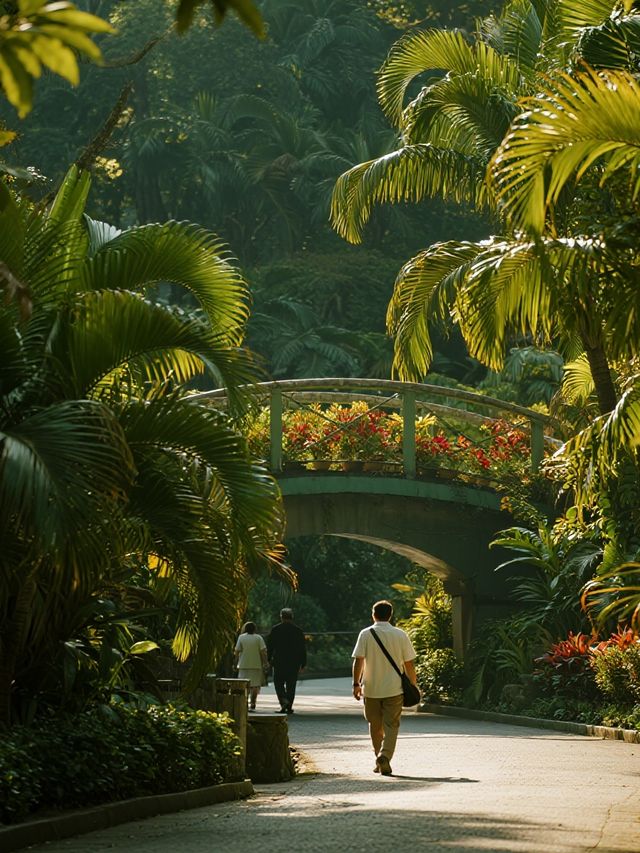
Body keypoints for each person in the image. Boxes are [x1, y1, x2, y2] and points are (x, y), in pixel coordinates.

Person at [352, 599, 417, 776]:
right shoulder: (400, 634)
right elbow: (409, 663)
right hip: (394, 690)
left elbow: (359, 661)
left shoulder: (365, 634)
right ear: (390, 615)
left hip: (371, 689)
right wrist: (413, 684)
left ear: (373, 615)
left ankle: (378, 758)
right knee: (392, 725)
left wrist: (356, 684)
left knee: (375, 725)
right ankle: (384, 756)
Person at [266, 607, 307, 714]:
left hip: (279, 661)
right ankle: (289, 706)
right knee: (291, 684)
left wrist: (268, 659)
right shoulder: (298, 631)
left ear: (281, 617)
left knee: (278, 683)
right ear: (292, 617)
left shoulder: (275, 629)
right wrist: (303, 663)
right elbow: (302, 648)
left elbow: (270, 646)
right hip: (294, 662)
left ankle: (283, 700)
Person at [234, 621, 268, 711]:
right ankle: (253, 702)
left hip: (243, 665)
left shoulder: (241, 637)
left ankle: (244, 702)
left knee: (244, 685)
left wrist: (235, 662)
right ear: (254, 629)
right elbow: (263, 652)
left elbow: (237, 651)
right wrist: (265, 662)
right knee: (255, 685)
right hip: (256, 665)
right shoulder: (258, 638)